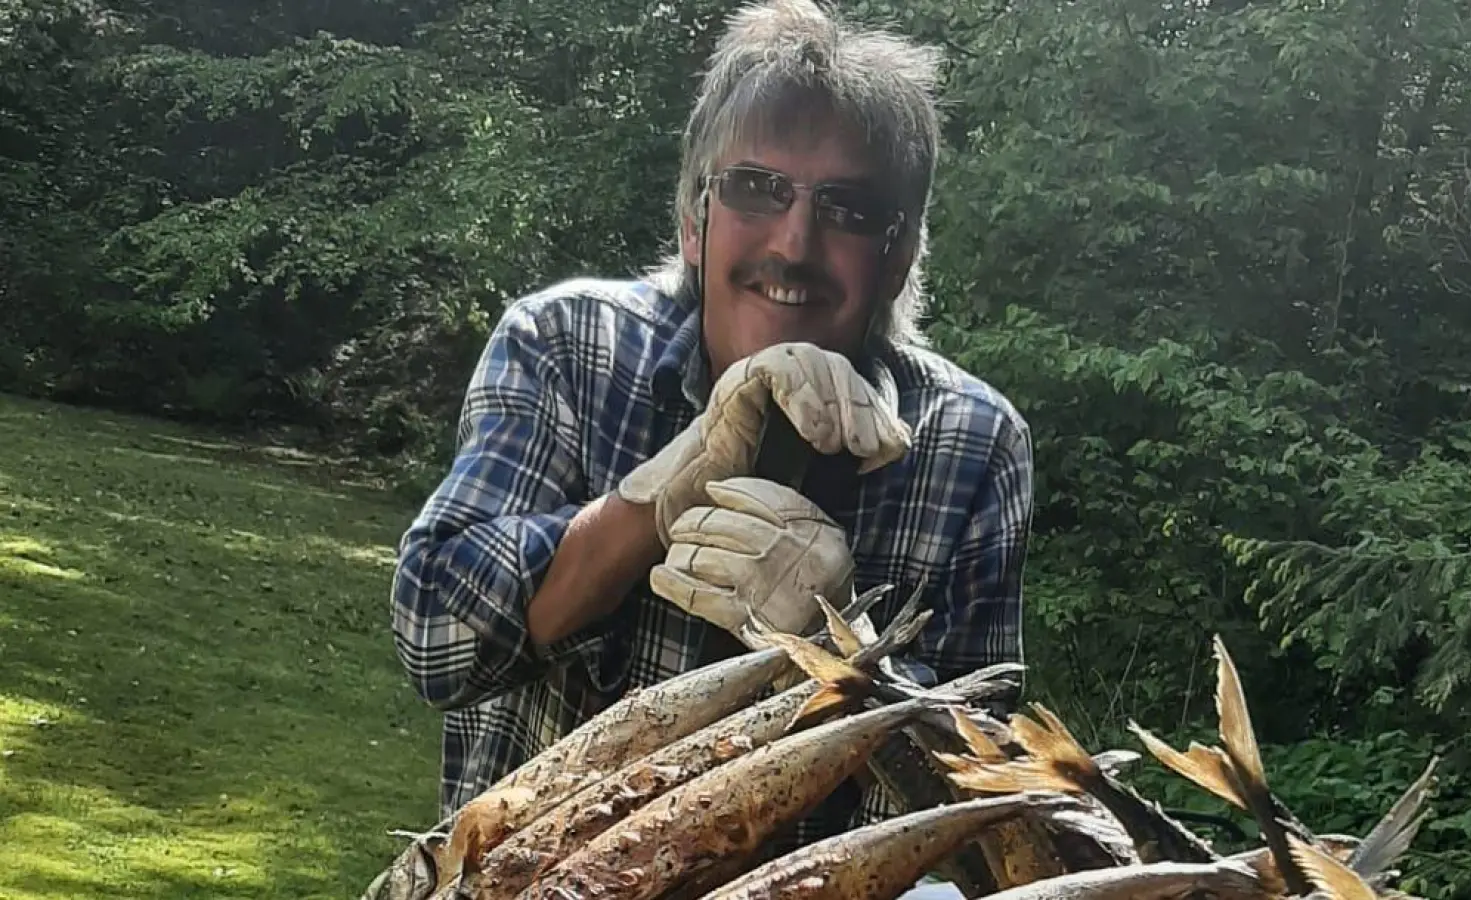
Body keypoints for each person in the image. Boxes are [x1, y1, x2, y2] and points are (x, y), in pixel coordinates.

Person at [389, 0, 1035, 856]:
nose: (795, 243)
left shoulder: (973, 443)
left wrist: (842, 647)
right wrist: (657, 498)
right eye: (757, 189)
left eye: (845, 208)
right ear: (695, 220)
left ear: (901, 251)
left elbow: (975, 834)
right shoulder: (569, 344)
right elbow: (433, 640)